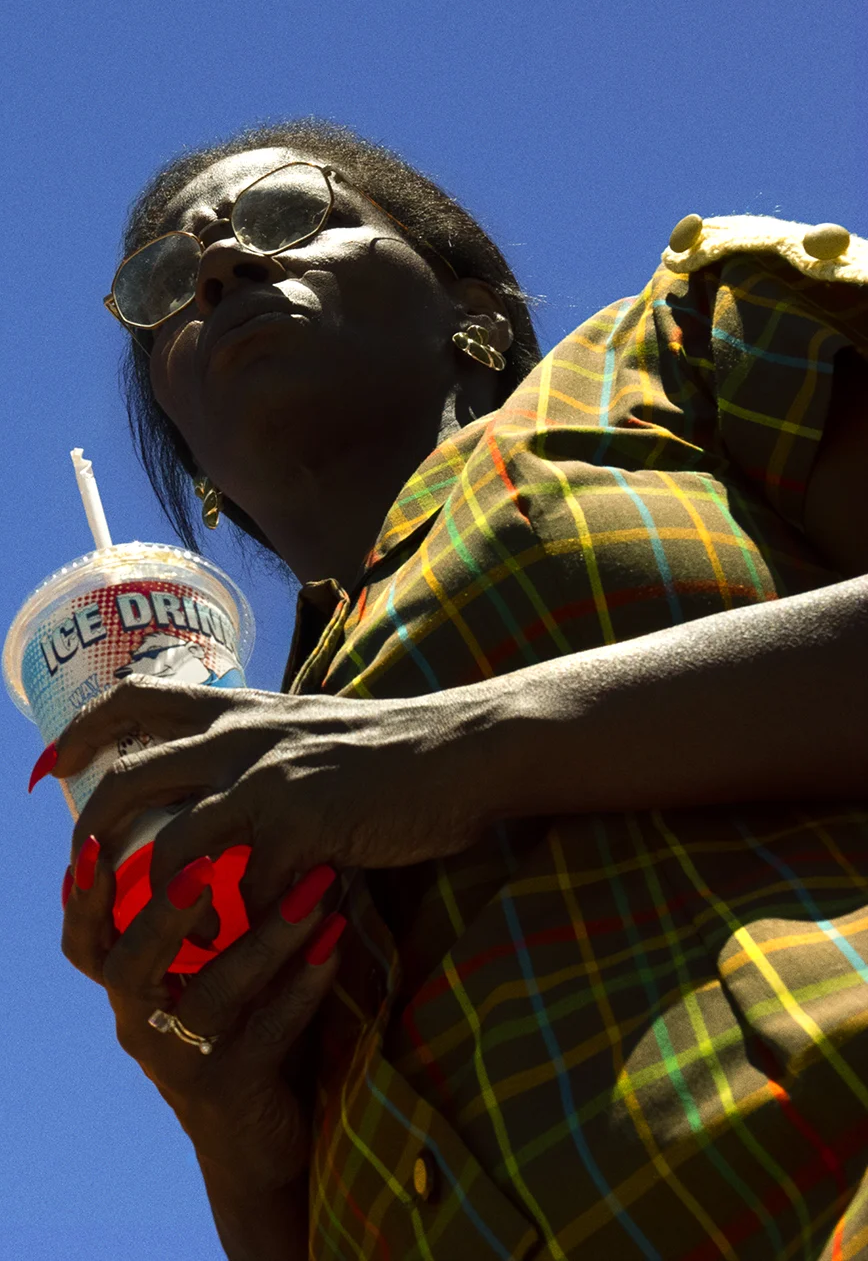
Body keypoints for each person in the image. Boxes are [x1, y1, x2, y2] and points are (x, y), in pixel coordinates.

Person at [50, 118, 868, 1260]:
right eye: (163, 286)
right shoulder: (240, 785)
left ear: (473, 309)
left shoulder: (669, 346)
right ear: (198, 468)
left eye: (289, 215)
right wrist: (234, 1145)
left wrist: (459, 751)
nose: (222, 268)